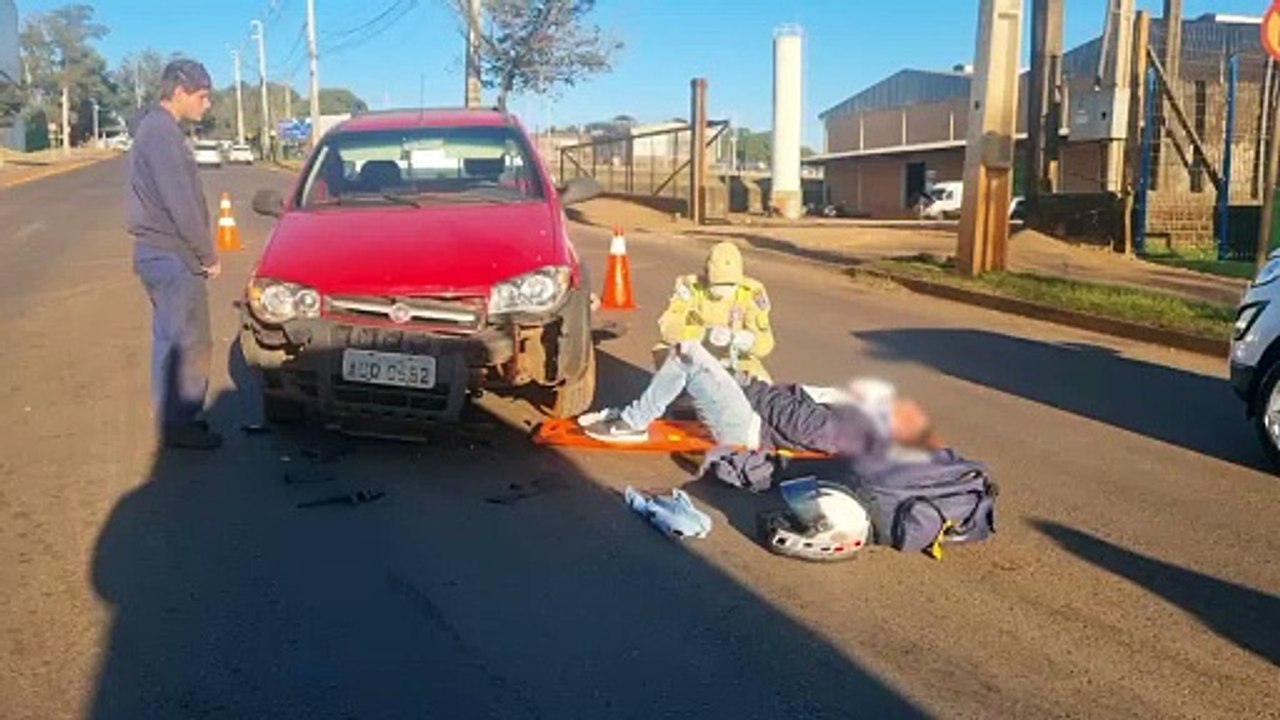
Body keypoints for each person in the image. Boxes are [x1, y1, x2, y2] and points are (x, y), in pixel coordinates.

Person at [579, 341, 935, 457]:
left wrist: (750, 387)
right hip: (753, 408)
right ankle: (640, 409)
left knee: (687, 354)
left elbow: (788, 417)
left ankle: (631, 423)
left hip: (747, 426)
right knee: (684, 356)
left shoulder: (838, 427)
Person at [127, 59, 221, 450]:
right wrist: (207, 254)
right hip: (172, 254)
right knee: (185, 341)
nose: (207, 105)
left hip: (160, 253)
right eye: (202, 96)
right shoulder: (162, 133)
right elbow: (180, 202)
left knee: (174, 338)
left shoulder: (156, 129)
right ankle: (178, 425)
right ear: (179, 92)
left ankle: (178, 420)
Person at [654, 242, 776, 383]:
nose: (724, 290)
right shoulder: (690, 288)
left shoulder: (751, 292)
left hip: (731, 359)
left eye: (730, 285)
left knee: (763, 382)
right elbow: (668, 329)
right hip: (693, 354)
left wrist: (750, 341)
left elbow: (766, 343)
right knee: (666, 358)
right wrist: (704, 335)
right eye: (718, 284)